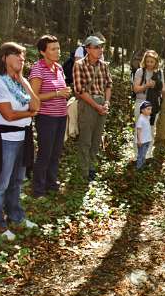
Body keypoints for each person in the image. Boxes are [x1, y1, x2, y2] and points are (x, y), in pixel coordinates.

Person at [0, 42, 40, 240]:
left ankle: (16, 216)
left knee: (17, 181)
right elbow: (8, 114)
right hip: (4, 139)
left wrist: (23, 80)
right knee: (1, 182)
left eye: (23, 56)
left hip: (23, 136)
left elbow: (36, 105)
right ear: (4, 57)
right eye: (16, 55)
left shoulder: (17, 82)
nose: (22, 59)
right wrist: (29, 113)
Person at [28, 35, 70, 197]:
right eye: (53, 49)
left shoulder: (58, 67)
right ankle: (38, 189)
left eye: (58, 48)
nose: (57, 51)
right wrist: (57, 93)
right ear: (43, 52)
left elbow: (62, 90)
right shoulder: (38, 69)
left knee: (56, 152)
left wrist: (65, 93)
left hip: (61, 116)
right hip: (46, 117)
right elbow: (34, 96)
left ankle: (51, 184)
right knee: (45, 153)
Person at [73, 35, 112, 182]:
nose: (100, 50)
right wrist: (96, 106)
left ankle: (91, 168)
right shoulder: (79, 65)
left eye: (101, 47)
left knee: (96, 139)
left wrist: (106, 103)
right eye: (96, 47)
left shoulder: (104, 65)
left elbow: (109, 85)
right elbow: (80, 90)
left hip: (102, 103)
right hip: (87, 103)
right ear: (88, 49)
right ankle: (83, 170)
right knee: (86, 139)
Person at [132, 49, 165, 155]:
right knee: (139, 129)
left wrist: (156, 86)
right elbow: (135, 89)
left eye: (152, 62)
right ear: (144, 61)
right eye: (148, 61)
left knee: (151, 129)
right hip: (141, 103)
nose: (150, 64)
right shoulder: (140, 71)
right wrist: (146, 86)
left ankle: (147, 155)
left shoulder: (159, 73)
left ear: (156, 62)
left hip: (153, 104)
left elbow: (163, 90)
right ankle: (137, 155)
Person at [135, 101, 153, 170]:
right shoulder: (141, 119)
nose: (150, 111)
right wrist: (139, 140)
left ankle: (143, 166)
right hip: (142, 141)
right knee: (141, 155)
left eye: (150, 109)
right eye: (148, 109)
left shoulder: (147, 117)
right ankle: (139, 167)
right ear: (142, 110)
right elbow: (138, 130)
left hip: (147, 140)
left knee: (144, 154)